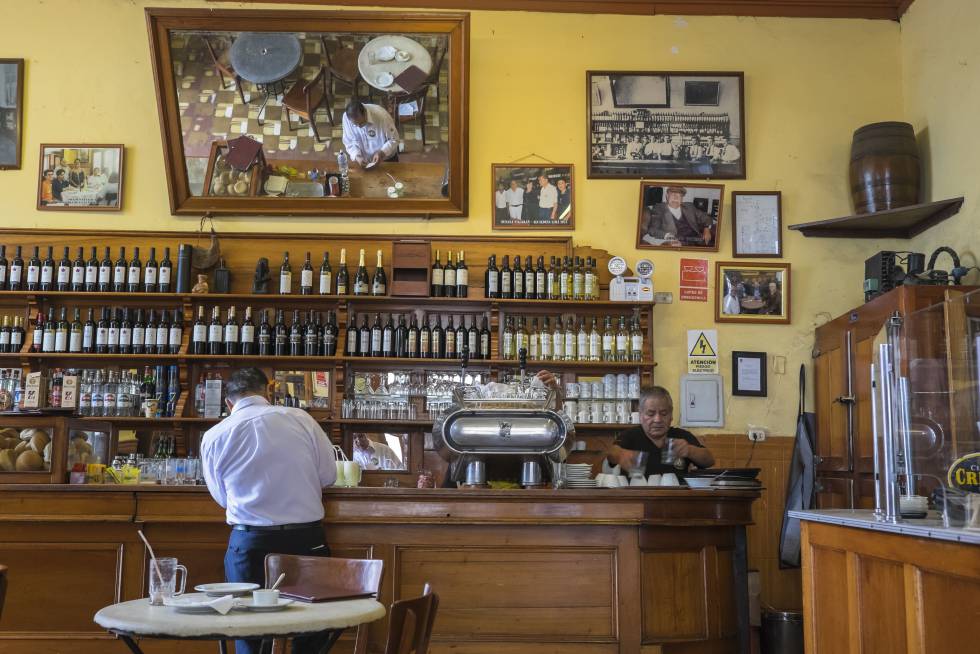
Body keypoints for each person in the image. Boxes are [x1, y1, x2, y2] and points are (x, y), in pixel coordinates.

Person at [201, 368, 337, 654]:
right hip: (306, 540)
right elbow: (329, 476)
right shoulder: (300, 419)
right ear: (268, 392)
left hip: (249, 542)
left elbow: (221, 498)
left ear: (228, 402)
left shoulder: (215, 435)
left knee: (247, 628)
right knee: (312, 626)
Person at [607, 386, 715, 480]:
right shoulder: (630, 436)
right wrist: (619, 454)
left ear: (671, 415)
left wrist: (690, 450)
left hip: (676, 495)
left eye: (664, 413)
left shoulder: (681, 436)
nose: (657, 419)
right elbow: (611, 453)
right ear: (640, 415)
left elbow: (709, 461)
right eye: (650, 414)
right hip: (638, 496)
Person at [640, 186, 715, 247]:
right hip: (679, 244)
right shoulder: (659, 209)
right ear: (667, 196)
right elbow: (653, 230)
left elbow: (706, 217)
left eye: (679, 195)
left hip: (698, 240)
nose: (675, 198)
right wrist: (668, 236)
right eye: (673, 194)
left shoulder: (689, 206)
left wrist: (707, 228)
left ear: (682, 199)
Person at [341, 99, 400, 168]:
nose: (359, 126)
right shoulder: (346, 118)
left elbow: (394, 139)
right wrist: (357, 156)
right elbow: (349, 141)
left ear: (365, 112)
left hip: (386, 159)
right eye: (355, 125)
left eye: (362, 123)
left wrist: (382, 152)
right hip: (364, 161)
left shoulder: (382, 116)